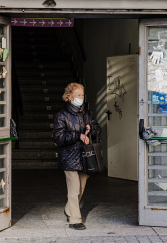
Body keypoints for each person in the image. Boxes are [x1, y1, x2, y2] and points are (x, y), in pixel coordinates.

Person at [52, 82, 101, 230]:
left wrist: (90, 129)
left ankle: (68, 209)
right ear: (70, 97)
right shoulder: (61, 115)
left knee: (80, 189)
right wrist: (77, 135)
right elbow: (58, 138)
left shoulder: (87, 113)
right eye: (79, 95)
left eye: (82, 95)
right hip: (69, 157)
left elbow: (98, 129)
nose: (82, 97)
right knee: (73, 189)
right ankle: (75, 220)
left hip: (85, 157)